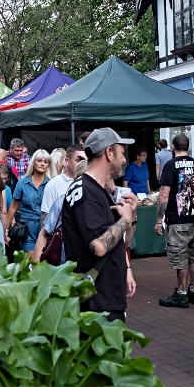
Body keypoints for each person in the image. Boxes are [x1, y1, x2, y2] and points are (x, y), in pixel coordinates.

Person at [62, 128, 137, 322]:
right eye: (121, 153)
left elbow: (123, 243)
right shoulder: (87, 191)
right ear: (108, 153)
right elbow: (99, 246)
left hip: (105, 299)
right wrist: (125, 220)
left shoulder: (95, 190)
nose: (123, 160)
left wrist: (131, 217)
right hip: (99, 305)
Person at [155, 134, 194, 308]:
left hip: (177, 219)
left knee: (180, 257)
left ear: (173, 147)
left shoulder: (170, 165)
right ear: (188, 146)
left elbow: (164, 194)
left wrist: (159, 220)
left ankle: (182, 294)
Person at [33, 160, 88, 263]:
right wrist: (36, 269)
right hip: (64, 265)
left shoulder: (104, 202)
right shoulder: (63, 201)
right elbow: (44, 234)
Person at [6, 149, 50, 254]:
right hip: (27, 227)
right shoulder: (22, 183)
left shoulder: (51, 184)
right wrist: (6, 229)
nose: (42, 164)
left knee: (42, 261)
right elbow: (13, 206)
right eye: (39, 161)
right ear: (33, 162)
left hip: (45, 227)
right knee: (33, 261)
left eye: (46, 162)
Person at [41, 145, 85, 221]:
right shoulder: (53, 185)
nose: (81, 164)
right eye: (78, 161)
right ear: (67, 161)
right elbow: (45, 217)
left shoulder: (90, 182)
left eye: (84, 161)